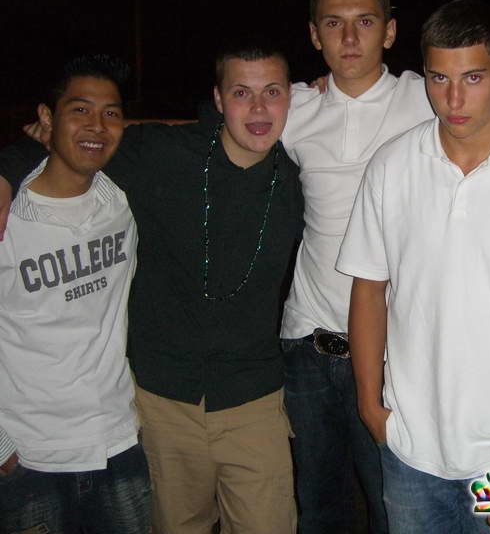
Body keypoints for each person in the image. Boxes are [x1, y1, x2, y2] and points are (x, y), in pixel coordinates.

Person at [0, 41, 303, 534]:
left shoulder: (301, 170)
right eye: (241, 93)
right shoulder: (159, 155)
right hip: (162, 404)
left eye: (271, 92)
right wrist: (7, 169)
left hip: (254, 402)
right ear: (218, 99)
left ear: (292, 97)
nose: (258, 108)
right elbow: (75, 140)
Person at [336, 0, 490, 534]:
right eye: (438, 78)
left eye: (472, 77)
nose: (453, 98)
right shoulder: (392, 164)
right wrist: (370, 406)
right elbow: (369, 287)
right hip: (410, 446)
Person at [279, 0, 432, 534]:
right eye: (333, 23)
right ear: (314, 35)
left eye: (364, 22)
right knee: (319, 509)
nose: (348, 38)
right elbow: (222, 120)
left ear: (389, 31)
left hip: (394, 352)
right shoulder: (294, 108)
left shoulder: (428, 98)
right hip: (306, 343)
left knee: (393, 508)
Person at [0, 54, 151, 533]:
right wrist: (2, 451)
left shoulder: (121, 201)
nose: (97, 126)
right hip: (30, 459)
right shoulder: (9, 216)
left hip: (118, 444)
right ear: (46, 118)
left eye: (111, 113)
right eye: (80, 109)